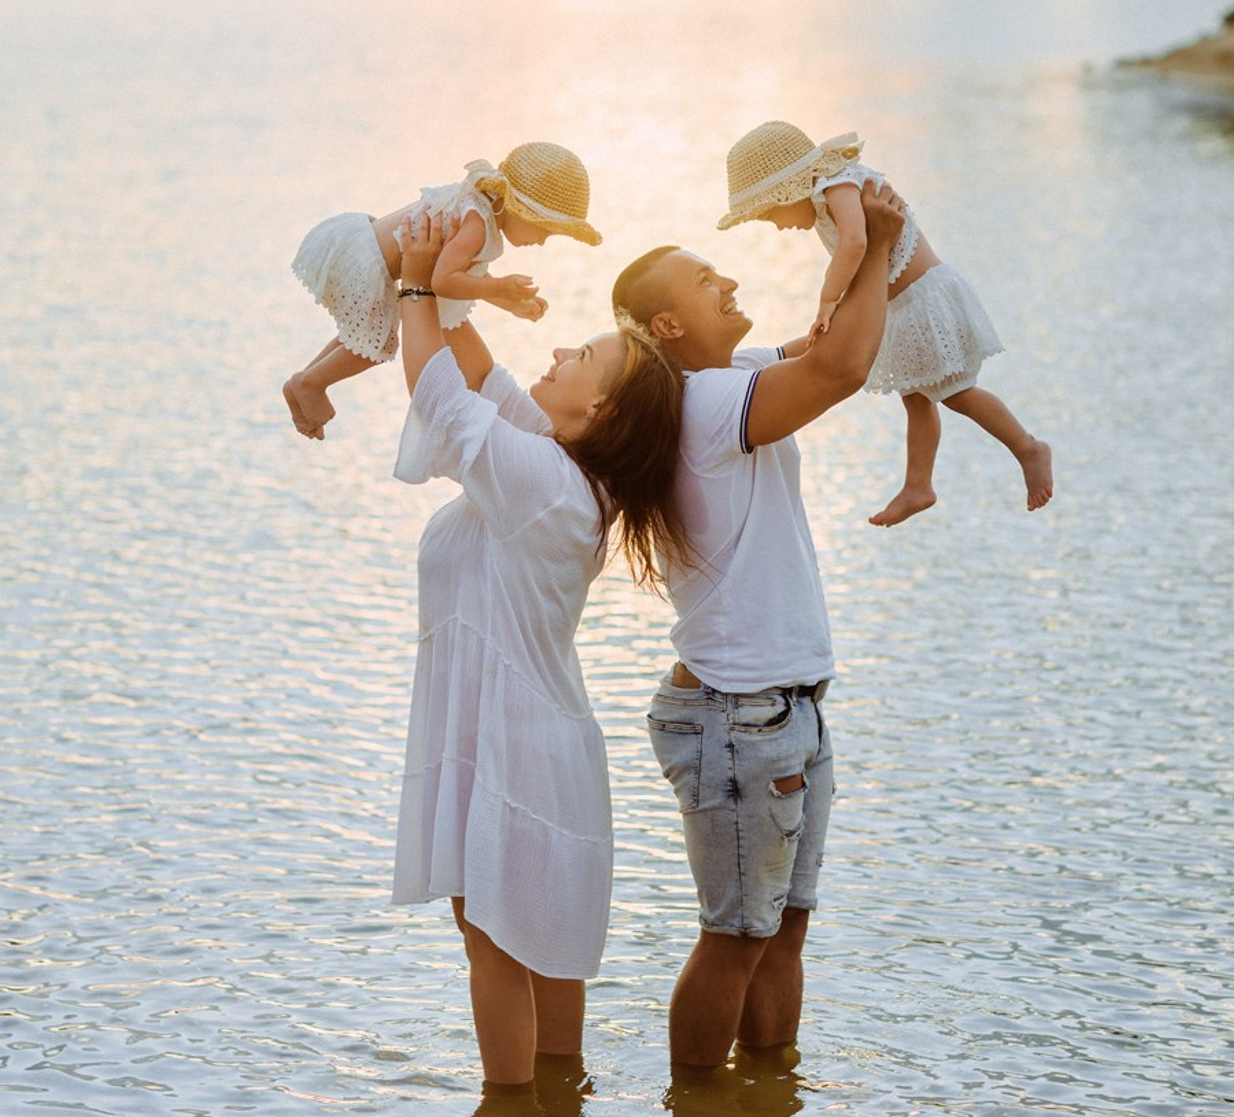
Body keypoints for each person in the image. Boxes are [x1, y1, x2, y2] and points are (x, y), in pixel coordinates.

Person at [390, 213, 687, 1099]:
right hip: (534, 734)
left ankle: (513, 1102)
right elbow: (476, 370)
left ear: (597, 411)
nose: (559, 353)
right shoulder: (566, 469)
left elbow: (437, 393)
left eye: (581, 358)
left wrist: (413, 287)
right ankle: (560, 1093)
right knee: (538, 946)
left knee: (494, 937)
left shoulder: (543, 483)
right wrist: (446, 284)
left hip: (513, 741)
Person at [611, 179, 905, 1072]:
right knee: (737, 935)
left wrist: (852, 232)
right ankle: (696, 1100)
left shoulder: (727, 378)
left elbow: (838, 339)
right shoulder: (703, 407)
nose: (726, 281)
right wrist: (880, 243)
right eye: (704, 280)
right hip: (738, 719)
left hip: (786, 711)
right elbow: (842, 370)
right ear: (667, 326)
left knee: (784, 932)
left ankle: (770, 1091)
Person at [719, 120, 1053, 526]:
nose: (777, 224)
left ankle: (1027, 447)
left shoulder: (835, 186)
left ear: (789, 187)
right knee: (916, 397)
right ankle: (918, 485)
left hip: (922, 301)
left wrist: (828, 300)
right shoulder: (830, 192)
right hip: (903, 307)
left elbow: (857, 242)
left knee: (958, 392)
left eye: (771, 213)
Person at [283, 141, 602, 440]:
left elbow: (463, 272)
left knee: (363, 336)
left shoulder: (481, 211)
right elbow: (443, 280)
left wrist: (507, 300)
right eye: (544, 230)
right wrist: (499, 286)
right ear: (519, 208)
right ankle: (311, 382)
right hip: (368, 264)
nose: (542, 241)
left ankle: (303, 382)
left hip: (360, 246)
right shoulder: (477, 224)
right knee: (379, 344)